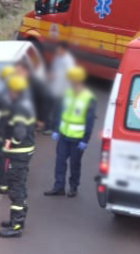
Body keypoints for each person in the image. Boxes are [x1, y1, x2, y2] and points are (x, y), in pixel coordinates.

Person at [0, 73, 36, 239]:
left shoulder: (19, 107)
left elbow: (20, 132)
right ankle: (17, 219)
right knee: (19, 187)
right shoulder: (24, 103)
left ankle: (16, 226)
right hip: (24, 152)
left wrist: (11, 142)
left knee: (16, 189)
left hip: (19, 154)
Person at [45, 66, 96, 198]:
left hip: (77, 139)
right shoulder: (67, 93)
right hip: (63, 136)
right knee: (60, 162)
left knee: (75, 164)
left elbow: (89, 120)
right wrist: (56, 129)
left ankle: (73, 187)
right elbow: (60, 112)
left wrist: (85, 139)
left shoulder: (88, 98)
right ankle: (59, 187)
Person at [15, 62, 52, 134]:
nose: (17, 73)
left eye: (19, 71)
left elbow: (44, 102)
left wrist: (41, 119)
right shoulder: (16, 82)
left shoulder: (36, 83)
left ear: (26, 71)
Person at [47, 43, 76, 122]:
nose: (57, 50)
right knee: (51, 108)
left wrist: (56, 75)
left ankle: (52, 127)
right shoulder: (58, 57)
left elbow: (69, 76)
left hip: (62, 90)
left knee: (57, 110)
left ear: (64, 50)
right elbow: (54, 68)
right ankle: (49, 125)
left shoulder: (68, 61)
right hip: (54, 88)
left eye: (59, 49)